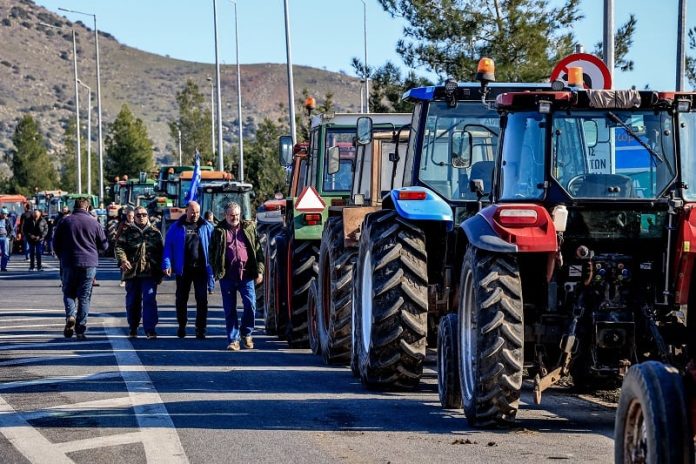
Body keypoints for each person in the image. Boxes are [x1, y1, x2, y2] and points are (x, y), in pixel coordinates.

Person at [209, 202, 264, 351]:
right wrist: (215, 271)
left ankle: (247, 333)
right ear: (225, 216)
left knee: (250, 305)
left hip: (246, 275)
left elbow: (258, 251)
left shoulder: (249, 229)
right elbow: (212, 253)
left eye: (237, 215)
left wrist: (259, 271)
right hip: (227, 276)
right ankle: (233, 340)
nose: (235, 218)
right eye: (232, 215)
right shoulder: (218, 231)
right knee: (230, 309)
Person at [53, 198, 108, 339]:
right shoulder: (94, 222)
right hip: (89, 263)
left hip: (69, 262)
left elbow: (55, 243)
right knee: (84, 296)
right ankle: (80, 328)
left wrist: (62, 257)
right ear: (88, 207)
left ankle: (71, 316)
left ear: (74, 207)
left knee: (68, 292)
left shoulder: (65, 221)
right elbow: (105, 246)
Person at [162, 201, 214, 339]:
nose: (195, 215)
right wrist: (167, 264)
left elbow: (214, 248)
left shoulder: (207, 227)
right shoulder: (176, 227)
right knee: (181, 299)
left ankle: (201, 328)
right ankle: (182, 325)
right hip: (183, 270)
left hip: (201, 270)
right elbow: (168, 247)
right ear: (187, 211)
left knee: (202, 299)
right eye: (192, 212)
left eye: (197, 212)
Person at [115, 206, 164, 339]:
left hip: (149, 272)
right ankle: (133, 326)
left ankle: (150, 329)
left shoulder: (155, 232)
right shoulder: (127, 231)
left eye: (144, 214)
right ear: (134, 217)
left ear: (148, 216)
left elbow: (161, 252)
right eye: (138, 215)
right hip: (132, 273)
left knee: (149, 299)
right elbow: (119, 247)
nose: (141, 217)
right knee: (132, 302)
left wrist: (162, 269)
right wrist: (123, 260)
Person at [115, 209, 135, 288]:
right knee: (123, 264)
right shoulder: (123, 224)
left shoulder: (137, 224)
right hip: (124, 247)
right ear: (126, 216)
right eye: (129, 216)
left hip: (134, 248)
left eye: (132, 216)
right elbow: (117, 235)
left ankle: (132, 279)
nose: (130, 217)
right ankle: (123, 280)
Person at [0, 207, 15, 272]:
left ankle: (3, 267)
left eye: (6, 214)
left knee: (5, 253)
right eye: (3, 214)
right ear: (1, 214)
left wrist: (8, 237)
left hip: (4, 237)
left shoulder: (8, 220)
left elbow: (12, 230)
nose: (5, 215)